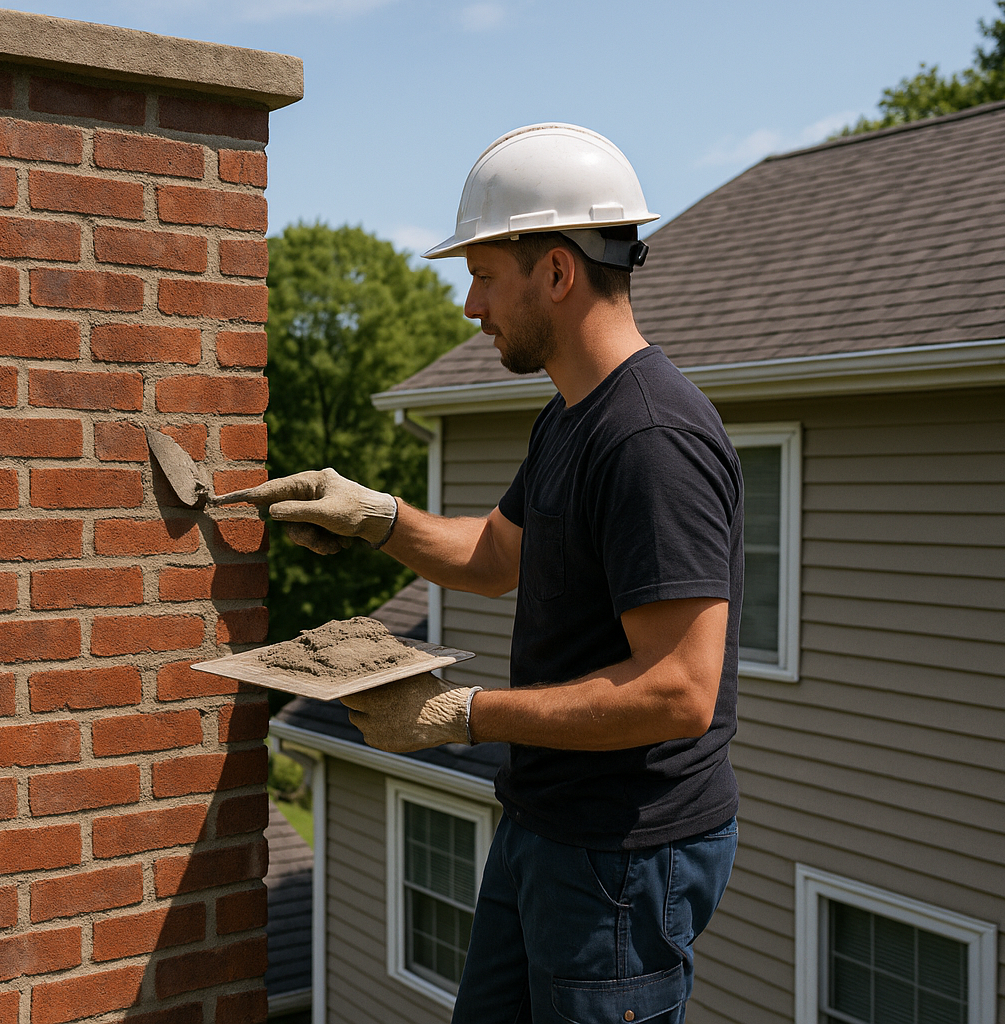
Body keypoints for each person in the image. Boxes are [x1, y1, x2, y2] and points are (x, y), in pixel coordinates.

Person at [223, 124, 741, 1023]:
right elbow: (496, 557)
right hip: (546, 820)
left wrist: (456, 714)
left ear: (556, 271)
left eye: (484, 274)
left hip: (623, 857)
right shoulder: (572, 421)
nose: (469, 304)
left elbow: (679, 691)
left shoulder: (651, 439)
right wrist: (377, 515)